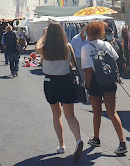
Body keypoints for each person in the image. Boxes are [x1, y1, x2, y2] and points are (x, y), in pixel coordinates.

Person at [36, 23, 84, 161]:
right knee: (70, 115)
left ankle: (62, 145)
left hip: (50, 82)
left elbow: (36, 48)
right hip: (65, 81)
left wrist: (43, 36)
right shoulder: (67, 47)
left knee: (56, 114)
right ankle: (78, 139)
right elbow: (74, 64)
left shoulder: (45, 48)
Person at [81, 21, 127, 155]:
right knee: (112, 112)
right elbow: (115, 63)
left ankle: (96, 138)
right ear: (101, 32)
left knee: (97, 112)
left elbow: (88, 71)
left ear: (89, 33)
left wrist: (88, 86)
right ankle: (122, 142)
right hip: (109, 81)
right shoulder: (107, 44)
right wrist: (116, 76)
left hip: (95, 82)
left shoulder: (86, 48)